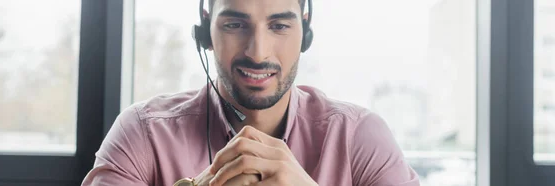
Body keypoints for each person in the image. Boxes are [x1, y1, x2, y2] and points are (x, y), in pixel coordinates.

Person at [81, 0, 420, 185]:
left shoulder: (359, 137)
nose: (258, 53)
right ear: (206, 31)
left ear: (305, 30)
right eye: (235, 24)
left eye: (279, 26)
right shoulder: (143, 133)